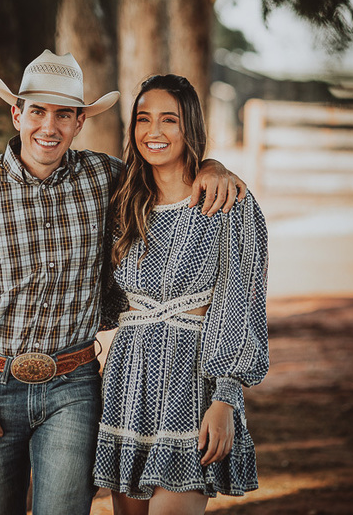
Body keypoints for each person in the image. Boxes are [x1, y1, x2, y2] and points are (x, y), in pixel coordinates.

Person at [0, 51, 246, 515]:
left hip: (74, 386)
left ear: (79, 121)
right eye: (37, 112)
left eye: (63, 114)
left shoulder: (108, 179)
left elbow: (168, 170)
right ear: (17, 114)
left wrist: (213, 167)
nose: (49, 126)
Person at [94, 73, 269, 514]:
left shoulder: (228, 202)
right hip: (128, 380)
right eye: (143, 119)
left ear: (189, 126)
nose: (153, 131)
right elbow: (108, 301)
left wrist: (225, 398)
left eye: (168, 120)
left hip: (193, 383)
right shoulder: (124, 203)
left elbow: (241, 304)